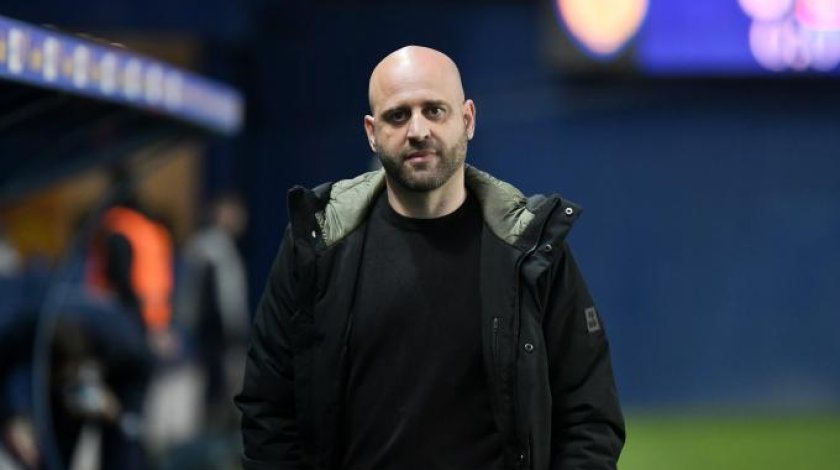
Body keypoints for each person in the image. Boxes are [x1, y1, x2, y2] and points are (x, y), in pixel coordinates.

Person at [236, 45, 625, 470]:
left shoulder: (531, 252)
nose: (417, 130)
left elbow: (590, 415)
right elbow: (268, 408)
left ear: (468, 119)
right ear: (371, 132)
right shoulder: (317, 248)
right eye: (397, 115)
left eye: (434, 110)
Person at [179, 193, 250, 430]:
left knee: (226, 388)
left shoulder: (226, 247)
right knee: (213, 388)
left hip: (225, 334)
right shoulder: (208, 247)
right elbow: (200, 295)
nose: (240, 219)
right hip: (213, 334)